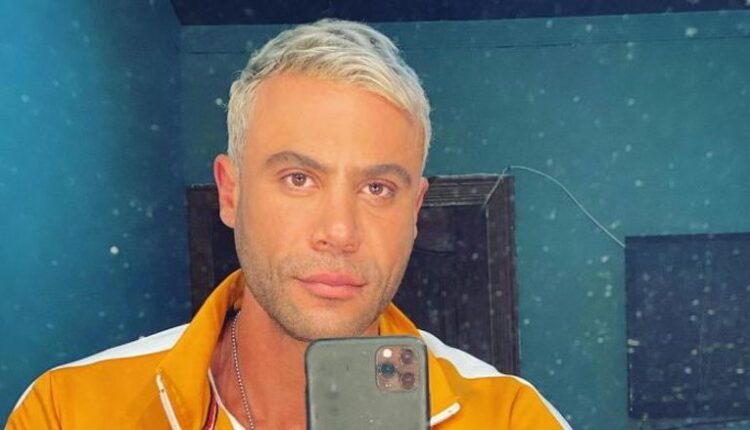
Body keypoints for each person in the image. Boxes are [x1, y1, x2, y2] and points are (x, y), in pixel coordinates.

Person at [7, 19, 570, 429]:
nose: (340, 232)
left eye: (377, 188)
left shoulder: (512, 417)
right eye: (299, 178)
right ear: (230, 193)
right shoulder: (68, 411)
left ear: (415, 212)